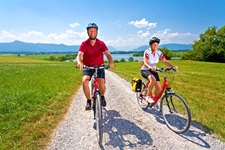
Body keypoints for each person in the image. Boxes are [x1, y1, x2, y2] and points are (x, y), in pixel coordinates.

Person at [76, 23, 114, 110]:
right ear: (88, 32)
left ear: (97, 32)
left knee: (101, 82)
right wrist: (80, 63)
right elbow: (79, 55)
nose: (92, 32)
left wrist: (111, 62)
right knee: (84, 81)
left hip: (99, 67)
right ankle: (89, 101)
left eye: (94, 31)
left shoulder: (101, 43)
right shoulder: (84, 44)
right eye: (90, 31)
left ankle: (102, 96)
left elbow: (108, 54)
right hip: (88, 67)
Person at [141, 37, 178, 103]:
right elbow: (145, 62)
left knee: (159, 88)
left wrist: (172, 67)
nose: (156, 46)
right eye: (154, 45)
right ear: (150, 45)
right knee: (153, 80)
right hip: (145, 70)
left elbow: (165, 61)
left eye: (157, 45)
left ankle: (154, 101)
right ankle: (147, 96)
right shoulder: (147, 52)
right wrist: (150, 67)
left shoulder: (159, 52)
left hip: (154, 70)